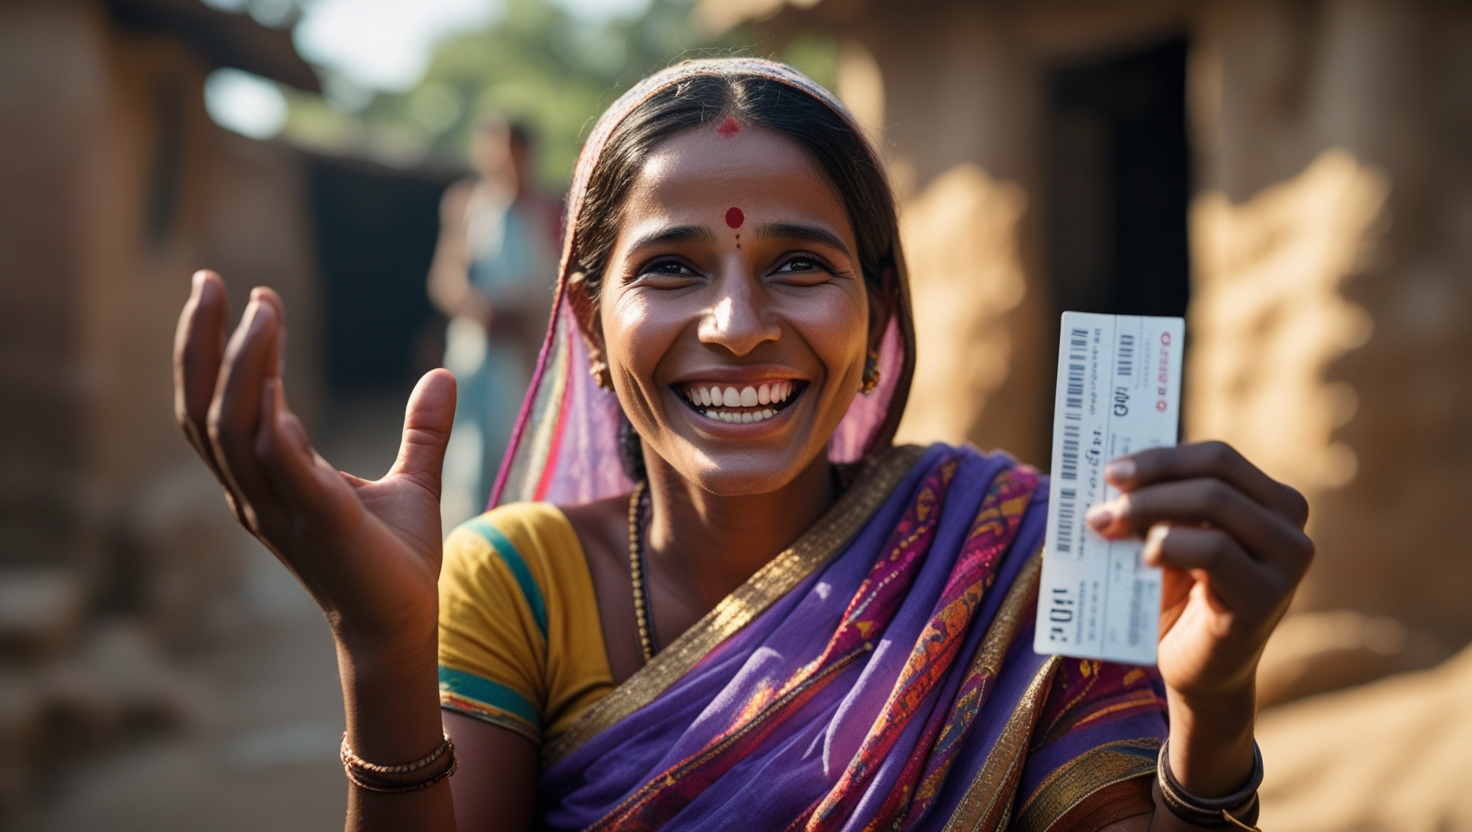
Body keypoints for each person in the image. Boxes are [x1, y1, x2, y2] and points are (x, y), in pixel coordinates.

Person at [172, 59, 1312, 831]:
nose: (736, 324)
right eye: (669, 267)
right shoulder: (517, 581)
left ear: (878, 321)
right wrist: (379, 643)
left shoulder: (1012, 560)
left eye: (800, 266)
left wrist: (1209, 710)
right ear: (585, 326)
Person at [426, 118, 560, 527]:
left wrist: (530, 314)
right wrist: (481, 308)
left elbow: (562, 282)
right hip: (478, 350)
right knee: (470, 455)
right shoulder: (466, 203)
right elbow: (445, 280)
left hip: (529, 350)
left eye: (513, 152)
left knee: (528, 449)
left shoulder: (547, 210)